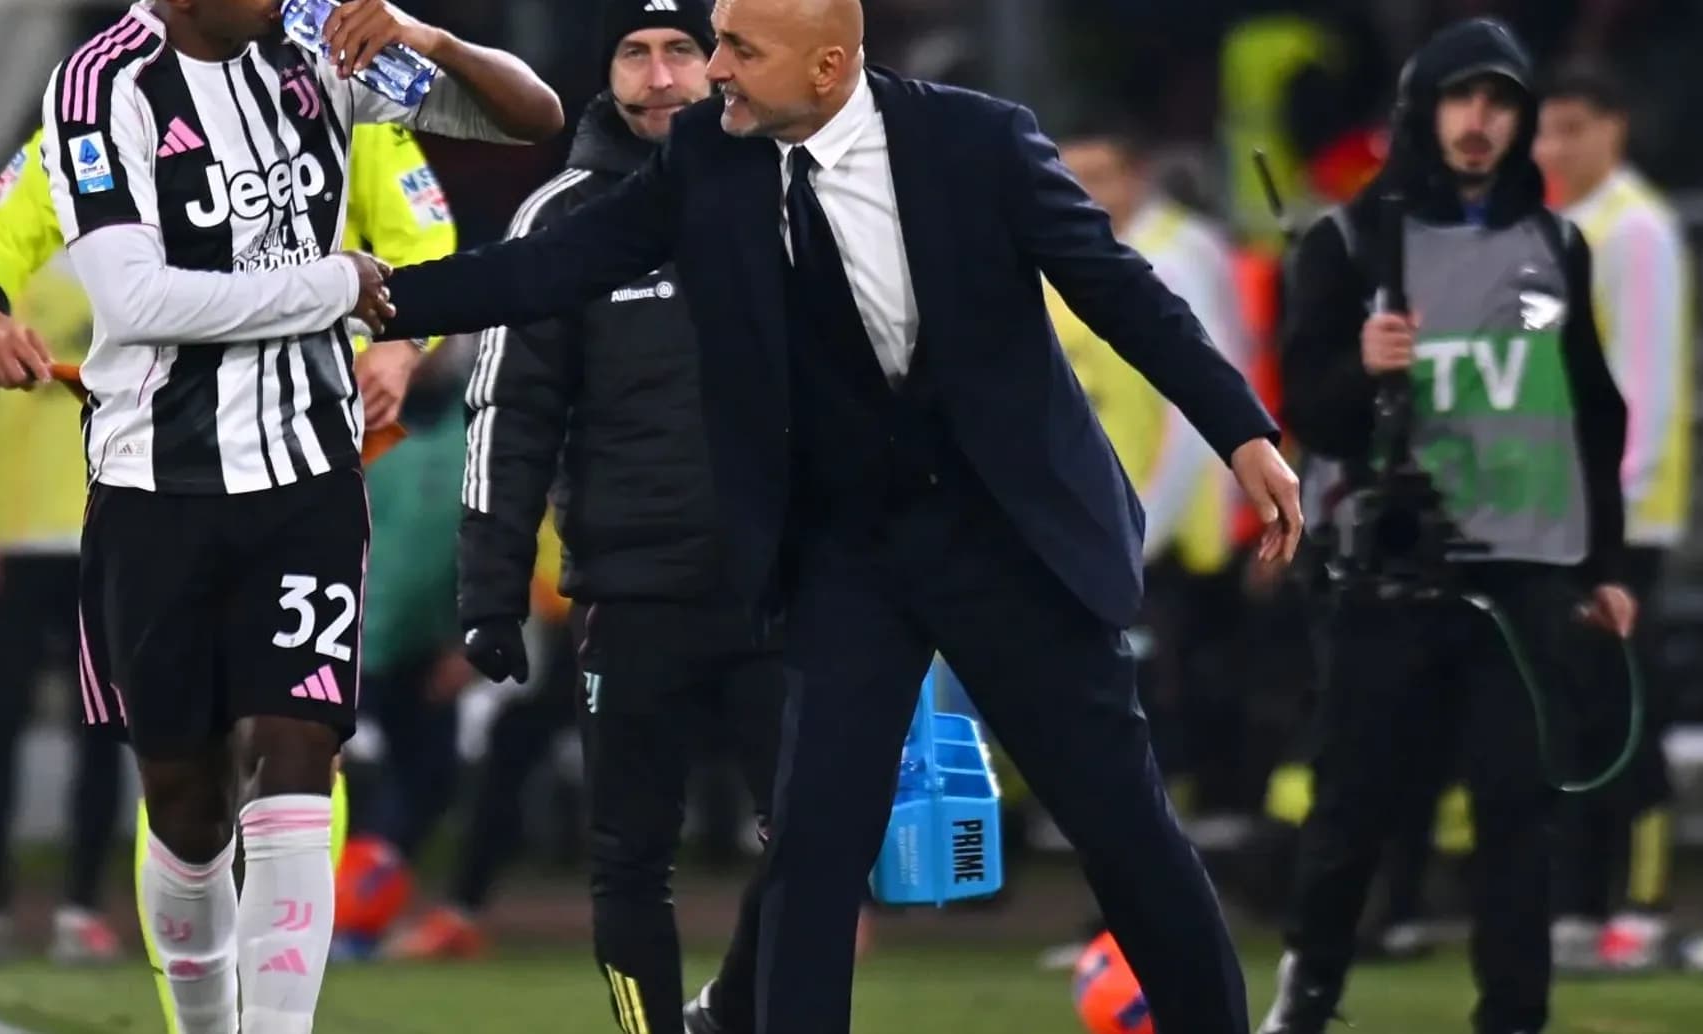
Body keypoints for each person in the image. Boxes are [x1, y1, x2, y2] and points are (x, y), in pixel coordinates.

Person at [380, 1, 1304, 1030]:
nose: (711, 70)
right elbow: (553, 268)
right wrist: (379, 298)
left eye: (737, 49)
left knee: (1122, 828)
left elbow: (1118, 290)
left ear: (827, 68)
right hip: (844, 553)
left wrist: (1243, 432)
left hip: (1006, 537)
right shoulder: (707, 157)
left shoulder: (976, 140)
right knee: (812, 852)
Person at [0, 2, 560, 1031]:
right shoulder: (100, 87)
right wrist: (342, 284)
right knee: (186, 805)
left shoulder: (314, 39)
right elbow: (141, 302)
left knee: (298, 754)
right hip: (156, 487)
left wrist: (428, 39)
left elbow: (529, 117)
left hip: (307, 476)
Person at [1260, 19, 1633, 1034]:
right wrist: (1363, 366)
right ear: (1420, 112)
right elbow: (1308, 408)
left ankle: (1514, 1016)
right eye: (1460, 100)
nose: (1479, 122)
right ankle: (1307, 999)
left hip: (1522, 575)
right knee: (1348, 818)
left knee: (1520, 815)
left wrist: (1601, 558)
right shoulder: (1346, 243)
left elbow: (1590, 408)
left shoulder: (1556, 244)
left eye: (1501, 102)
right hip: (1387, 576)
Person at [446, 3, 784, 1030]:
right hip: (630, 595)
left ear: (720, 62)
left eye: (682, 49)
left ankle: (731, 1007)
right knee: (629, 853)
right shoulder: (559, 219)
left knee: (822, 832)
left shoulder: (792, 193)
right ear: (606, 76)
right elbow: (508, 410)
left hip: (786, 584)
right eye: (634, 54)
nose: (660, 74)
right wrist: (490, 588)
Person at [1034, 111, 1256, 972]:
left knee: (1148, 741)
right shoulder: (1066, 253)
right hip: (1091, 540)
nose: (1087, 192)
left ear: (1137, 176)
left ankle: (1152, 927)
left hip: (1167, 550)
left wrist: (1148, 531)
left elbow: (1207, 397)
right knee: (1113, 742)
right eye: (1071, 175)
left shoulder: (1181, 253)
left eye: (1101, 175)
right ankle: (1128, 924)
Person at [1533, 59, 1695, 973]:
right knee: (1584, 709)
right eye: (1546, 133)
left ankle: (1642, 903)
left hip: (1620, 521)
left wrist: (1613, 511)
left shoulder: (1635, 232)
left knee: (1629, 707)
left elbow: (1643, 380)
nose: (1554, 149)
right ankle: (1582, 905)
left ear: (1613, 131)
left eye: (1571, 131)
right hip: (1570, 513)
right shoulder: (1569, 230)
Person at [0, 241, 125, 964]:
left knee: (103, 737)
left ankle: (81, 911)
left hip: (104, 542)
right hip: (10, 546)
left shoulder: (138, 263)